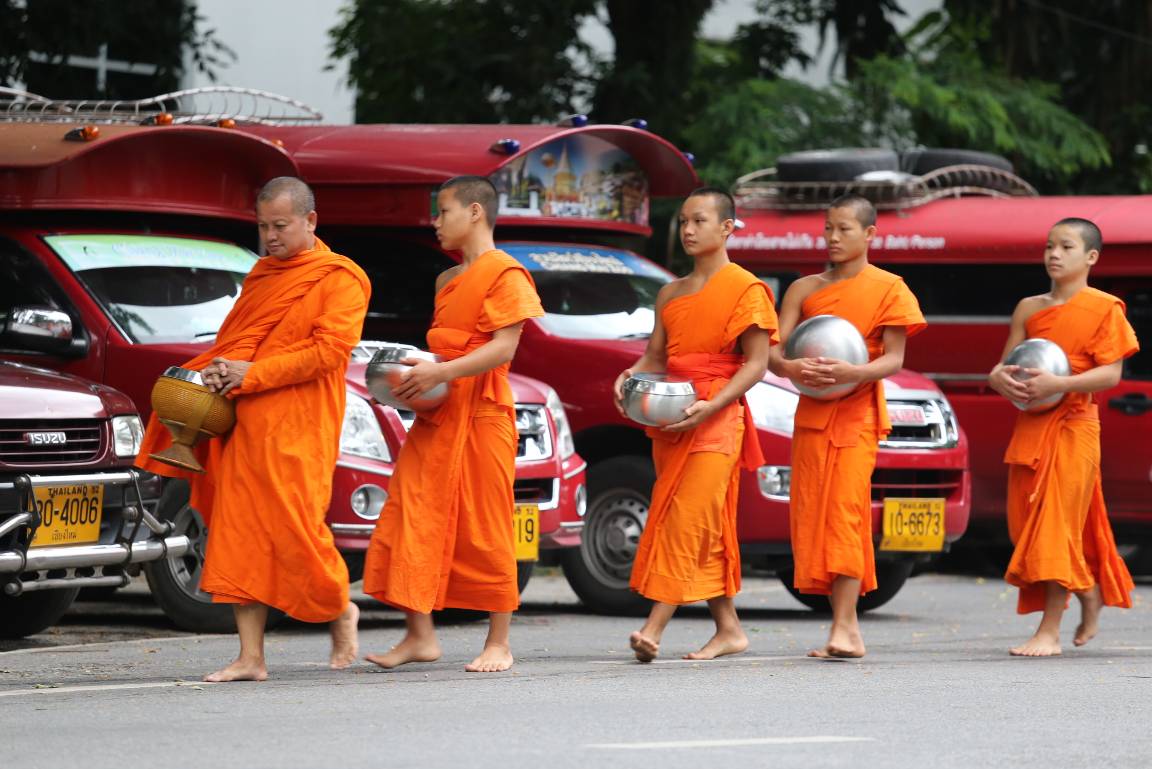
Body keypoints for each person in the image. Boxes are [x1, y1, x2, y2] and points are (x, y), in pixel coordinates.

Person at [136, 176, 371, 682]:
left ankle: (338, 608)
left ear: (310, 221)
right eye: (263, 226)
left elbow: (330, 353)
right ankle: (251, 657)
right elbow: (239, 340)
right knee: (236, 532)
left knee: (295, 527)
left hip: (301, 424)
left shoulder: (341, 278)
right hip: (245, 422)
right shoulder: (264, 275)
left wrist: (251, 372)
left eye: (280, 225)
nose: (270, 236)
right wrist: (220, 370)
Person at [362, 175, 543, 673]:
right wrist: (412, 380)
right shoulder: (447, 280)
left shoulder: (506, 273)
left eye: (443, 212)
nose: (435, 222)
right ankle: (419, 635)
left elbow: (504, 348)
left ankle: (499, 642)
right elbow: (437, 353)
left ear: (475, 213)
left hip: (484, 414)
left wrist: (440, 371)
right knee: (409, 515)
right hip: (439, 415)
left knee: (485, 526)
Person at [614, 187, 777, 663]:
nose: (688, 230)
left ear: (727, 227)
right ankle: (729, 629)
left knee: (686, 519)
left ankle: (654, 627)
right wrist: (631, 375)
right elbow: (656, 357)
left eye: (699, 221)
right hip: (673, 418)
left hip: (719, 418)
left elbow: (756, 363)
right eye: (683, 221)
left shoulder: (746, 288)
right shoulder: (670, 292)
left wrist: (714, 404)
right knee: (702, 522)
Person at [768, 194, 925, 659]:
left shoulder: (889, 288)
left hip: (857, 414)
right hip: (813, 414)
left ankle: (845, 624)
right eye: (828, 228)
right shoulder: (803, 289)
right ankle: (844, 627)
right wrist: (793, 369)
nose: (833, 238)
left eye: (844, 229)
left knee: (846, 513)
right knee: (813, 513)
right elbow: (775, 353)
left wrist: (853, 374)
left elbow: (894, 359)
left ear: (870, 235)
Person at [987, 217, 1137, 657]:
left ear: (1090, 257)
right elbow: (1003, 365)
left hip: (1075, 426)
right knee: (1024, 526)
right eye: (1049, 246)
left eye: (1066, 247)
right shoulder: (1028, 309)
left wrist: (1059, 385)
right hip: (1031, 427)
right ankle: (1087, 589)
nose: (1053, 254)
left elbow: (1110, 374)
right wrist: (998, 379)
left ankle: (1048, 630)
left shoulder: (1105, 307)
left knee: (1054, 526)